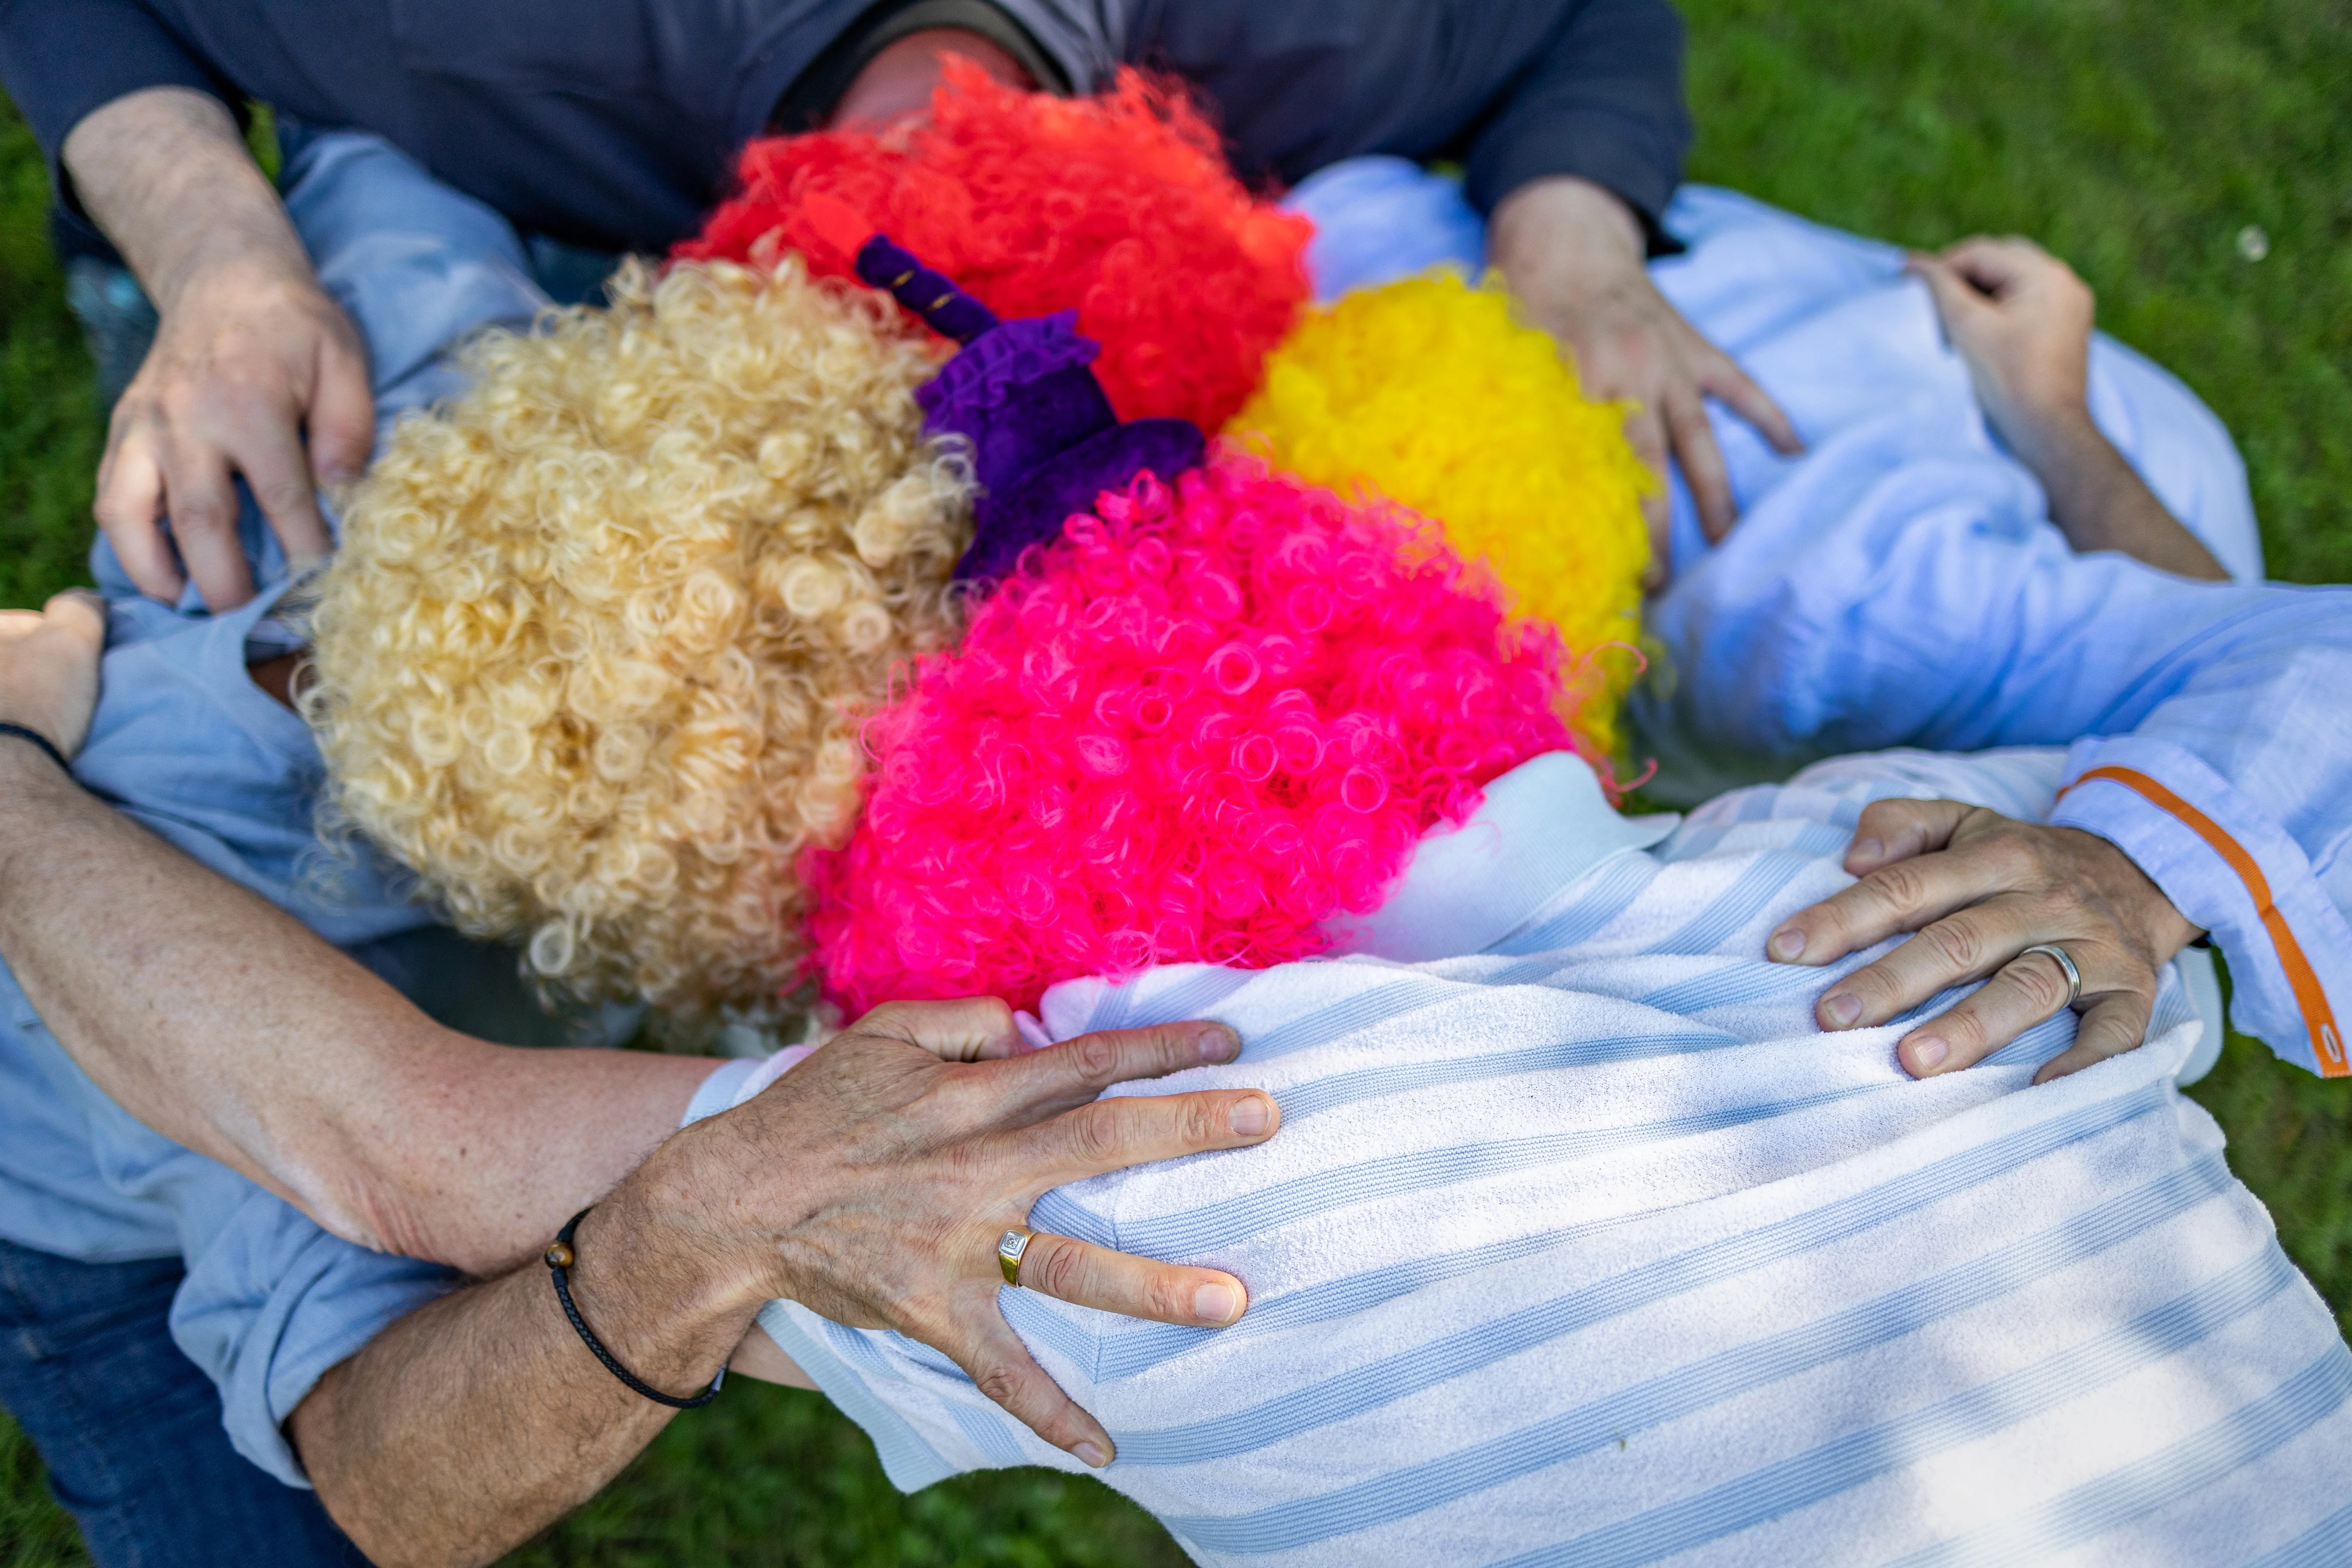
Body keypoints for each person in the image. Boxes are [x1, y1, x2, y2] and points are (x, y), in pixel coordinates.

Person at [0, 0, 1788, 614]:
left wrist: (1572, 249)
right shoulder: (452, 29)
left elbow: (1583, 16)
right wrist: (215, 261)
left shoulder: (1327, 38)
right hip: (456, 120)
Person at [1287, 161, 2349, 1088]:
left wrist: (2055, 414)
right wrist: (2142, 867)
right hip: (1351, 257)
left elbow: (2254, 646)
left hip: (1429, 245)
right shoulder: (1838, 608)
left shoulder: (2144, 498)